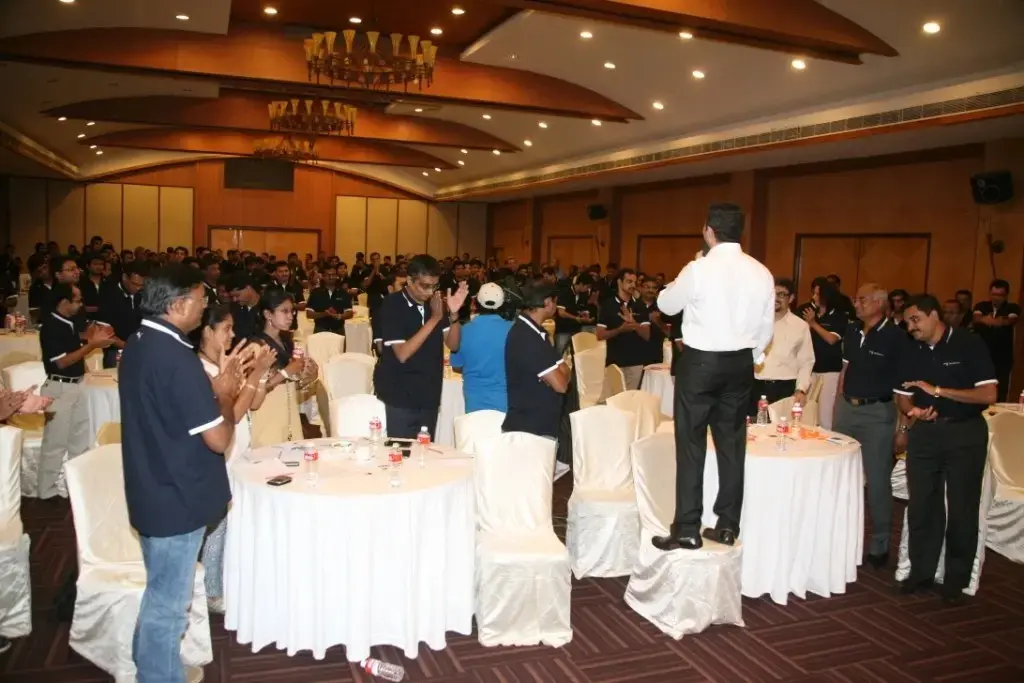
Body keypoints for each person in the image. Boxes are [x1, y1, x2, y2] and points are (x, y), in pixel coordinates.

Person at [120, 264, 245, 683]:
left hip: (150, 484)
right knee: (169, 604)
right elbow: (219, 439)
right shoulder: (178, 359)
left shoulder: (138, 342)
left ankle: (154, 664)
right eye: (200, 301)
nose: (205, 307)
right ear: (176, 306)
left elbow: (170, 411)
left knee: (159, 590)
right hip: (178, 495)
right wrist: (224, 395)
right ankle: (158, 675)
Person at [653, 202, 774, 551]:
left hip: (701, 365)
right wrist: (750, 357)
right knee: (732, 445)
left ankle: (687, 528)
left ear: (708, 231)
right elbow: (766, 329)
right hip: (740, 365)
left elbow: (666, 305)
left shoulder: (698, 268)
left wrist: (679, 280)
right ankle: (727, 525)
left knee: (691, 444)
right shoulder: (762, 272)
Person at [895, 294, 997, 604]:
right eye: (907, 322)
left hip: (964, 433)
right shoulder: (909, 349)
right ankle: (921, 572)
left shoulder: (968, 343)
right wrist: (913, 411)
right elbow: (902, 396)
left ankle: (956, 578)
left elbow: (988, 394)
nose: (911, 327)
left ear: (934, 315)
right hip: (925, 435)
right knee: (922, 505)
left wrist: (939, 391)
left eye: (916, 320)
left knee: (962, 508)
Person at [196, 305, 276, 614]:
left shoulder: (225, 364)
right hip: (221, 454)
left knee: (232, 521)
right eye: (225, 329)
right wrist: (254, 373)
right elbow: (234, 413)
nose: (231, 335)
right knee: (218, 524)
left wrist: (261, 373)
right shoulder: (201, 370)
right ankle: (211, 591)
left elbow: (253, 402)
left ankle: (227, 579)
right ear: (207, 331)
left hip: (239, 450)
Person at [834, 283, 914, 569]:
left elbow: (904, 387)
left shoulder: (896, 337)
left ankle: (880, 542)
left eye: (863, 300)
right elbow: (845, 371)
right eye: (856, 299)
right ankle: (839, 536)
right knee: (840, 475)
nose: (857, 304)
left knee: (878, 480)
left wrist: (903, 429)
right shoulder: (852, 330)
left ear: (880, 303)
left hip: (877, 413)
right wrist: (838, 406)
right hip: (847, 409)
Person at [374, 255, 468, 438]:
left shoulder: (435, 304)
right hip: (400, 395)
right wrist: (434, 318)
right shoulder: (393, 304)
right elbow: (402, 354)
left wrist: (454, 314)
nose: (430, 291)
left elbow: (454, 344)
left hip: (429, 393)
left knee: (424, 452)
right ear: (410, 281)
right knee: (401, 451)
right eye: (425, 286)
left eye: (434, 286)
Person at [36, 283, 115, 500]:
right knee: (55, 442)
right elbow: (61, 362)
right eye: (77, 300)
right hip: (59, 388)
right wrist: (92, 345)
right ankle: (46, 492)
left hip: (76, 385)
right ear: (64, 302)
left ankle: (75, 487)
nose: (81, 305)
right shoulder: (51, 325)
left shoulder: (68, 323)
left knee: (79, 441)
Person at [503, 283, 570, 439]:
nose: (556, 306)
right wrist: (560, 374)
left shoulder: (535, 332)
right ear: (547, 303)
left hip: (536, 426)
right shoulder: (528, 337)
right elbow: (561, 385)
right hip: (530, 431)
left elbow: (565, 370)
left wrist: (558, 375)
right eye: (555, 301)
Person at [751, 278, 814, 416]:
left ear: (791, 298)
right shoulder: (755, 322)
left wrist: (801, 389)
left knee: (781, 427)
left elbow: (806, 362)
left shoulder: (800, 326)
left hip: (784, 388)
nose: (776, 298)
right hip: (755, 386)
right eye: (773, 294)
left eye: (781, 294)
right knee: (754, 427)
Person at [450, 282, 513, 413]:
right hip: (506, 399)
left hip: (474, 400)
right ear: (503, 304)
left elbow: (456, 366)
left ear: (476, 303)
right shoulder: (514, 330)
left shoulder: (463, 331)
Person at [799, 277, 848, 430]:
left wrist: (813, 323)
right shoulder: (808, 312)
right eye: (813, 293)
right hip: (810, 368)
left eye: (817, 294)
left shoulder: (838, 315)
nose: (814, 297)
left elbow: (832, 339)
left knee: (825, 415)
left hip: (829, 371)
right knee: (806, 413)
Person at [596, 268, 650, 390]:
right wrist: (619, 330)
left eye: (635, 282)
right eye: (629, 281)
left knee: (631, 398)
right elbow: (600, 335)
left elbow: (647, 335)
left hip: (636, 361)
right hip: (614, 362)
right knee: (615, 398)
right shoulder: (608, 305)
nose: (633, 285)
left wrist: (634, 324)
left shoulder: (640, 305)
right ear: (619, 282)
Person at [972, 279, 1019, 402]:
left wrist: (988, 320)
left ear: (1006, 295)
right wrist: (997, 321)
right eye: (994, 294)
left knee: (1000, 390)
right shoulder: (982, 305)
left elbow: (1009, 321)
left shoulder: (1012, 307)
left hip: (1002, 357)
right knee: (979, 386)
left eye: (1000, 295)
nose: (996, 298)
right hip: (981, 354)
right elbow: (976, 318)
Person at [95, 262, 147, 367]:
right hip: (116, 351)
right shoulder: (109, 295)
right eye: (135, 284)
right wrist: (128, 347)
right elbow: (104, 331)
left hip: (140, 349)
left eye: (141, 285)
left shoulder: (142, 295)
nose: (138, 288)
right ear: (124, 277)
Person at [305, 264, 353, 335]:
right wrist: (324, 314)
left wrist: (339, 316)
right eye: (328, 275)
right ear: (323, 277)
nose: (331, 277)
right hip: (320, 330)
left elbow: (349, 313)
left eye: (333, 274)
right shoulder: (315, 292)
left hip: (339, 330)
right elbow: (309, 314)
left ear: (337, 276)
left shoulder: (343, 292)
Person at [554, 273, 594, 354]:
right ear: (581, 284)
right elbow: (561, 312)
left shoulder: (582, 295)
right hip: (563, 329)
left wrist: (582, 313)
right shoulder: (565, 292)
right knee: (559, 353)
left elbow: (576, 309)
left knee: (575, 354)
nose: (588, 289)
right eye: (587, 287)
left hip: (576, 329)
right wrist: (576, 318)